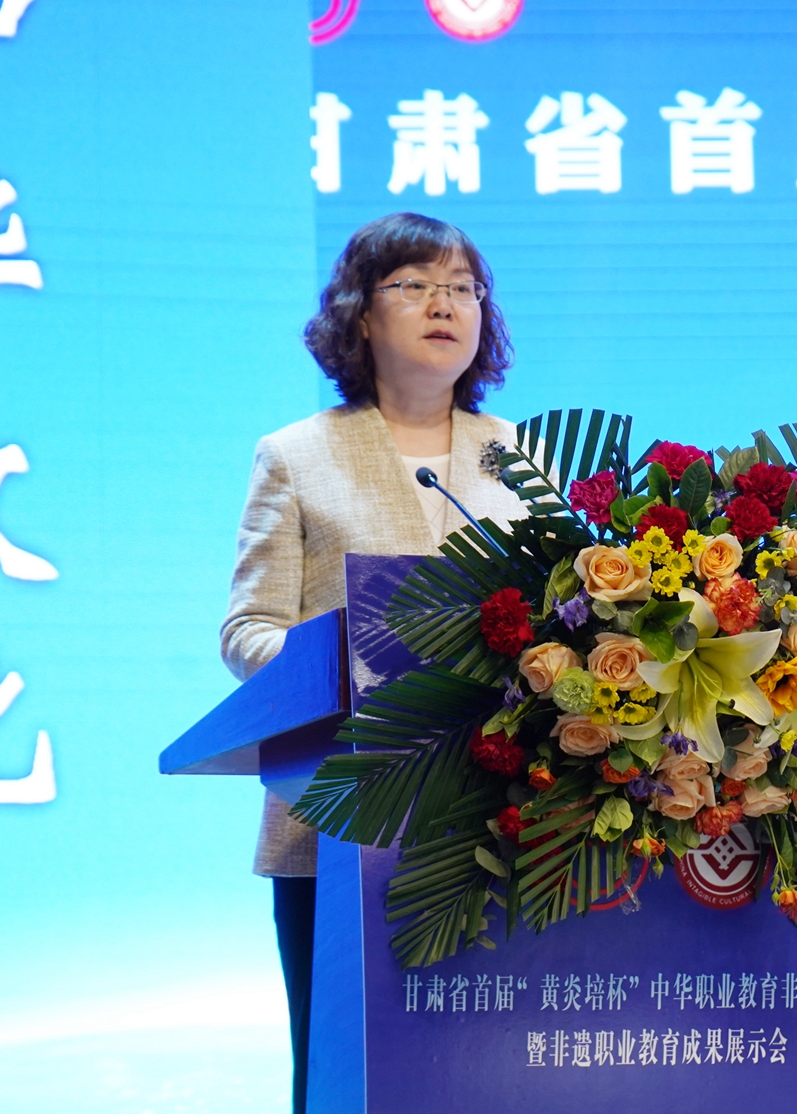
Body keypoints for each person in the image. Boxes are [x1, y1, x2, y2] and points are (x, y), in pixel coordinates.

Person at [219, 212, 528, 1113]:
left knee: (490, 1072)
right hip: (341, 816)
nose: (445, 305)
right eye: (415, 285)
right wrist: (344, 670)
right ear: (360, 314)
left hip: (504, 813)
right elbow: (249, 629)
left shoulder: (520, 456)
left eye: (463, 288)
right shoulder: (296, 456)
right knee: (346, 1074)